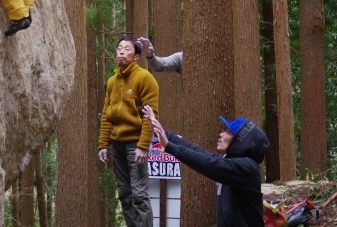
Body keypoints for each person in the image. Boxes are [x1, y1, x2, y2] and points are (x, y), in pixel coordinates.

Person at [142, 104, 270, 227]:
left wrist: (169, 146)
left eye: (227, 132)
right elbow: (199, 152)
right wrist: (162, 133)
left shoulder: (247, 168)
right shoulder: (233, 163)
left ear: (240, 140)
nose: (221, 134)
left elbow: (207, 163)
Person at [98, 35, 159, 227]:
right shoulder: (112, 81)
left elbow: (151, 116)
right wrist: (103, 145)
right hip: (117, 145)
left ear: (136, 57)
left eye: (127, 49)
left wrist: (143, 145)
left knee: (139, 194)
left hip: (135, 144)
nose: (121, 52)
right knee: (124, 194)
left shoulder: (145, 78)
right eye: (119, 48)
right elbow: (107, 115)